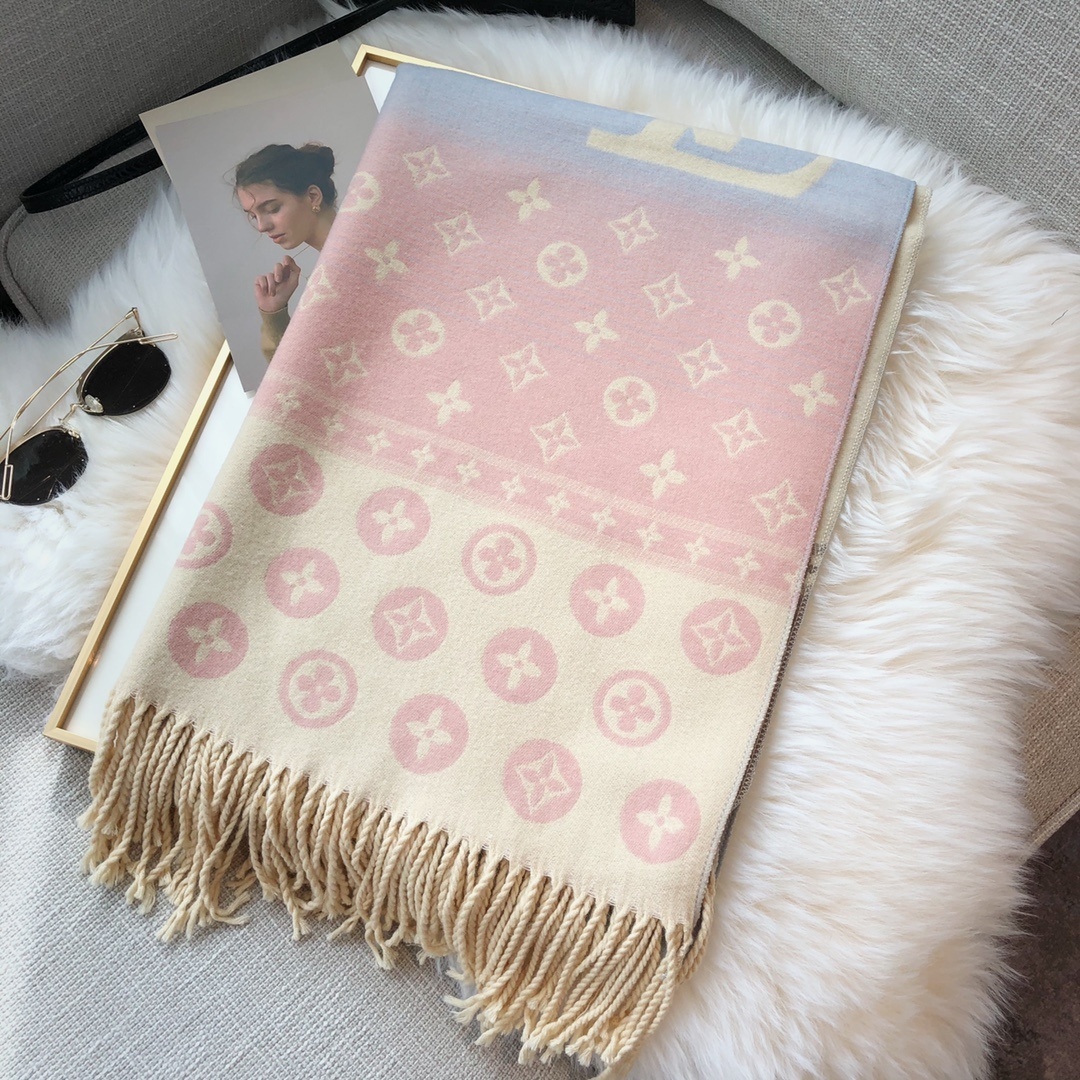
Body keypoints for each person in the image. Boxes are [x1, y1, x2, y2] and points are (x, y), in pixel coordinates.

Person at [233, 143, 338, 361]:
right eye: (253, 216)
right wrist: (274, 314)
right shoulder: (332, 270)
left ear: (313, 196)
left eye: (272, 209)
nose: (261, 226)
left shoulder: (350, 264)